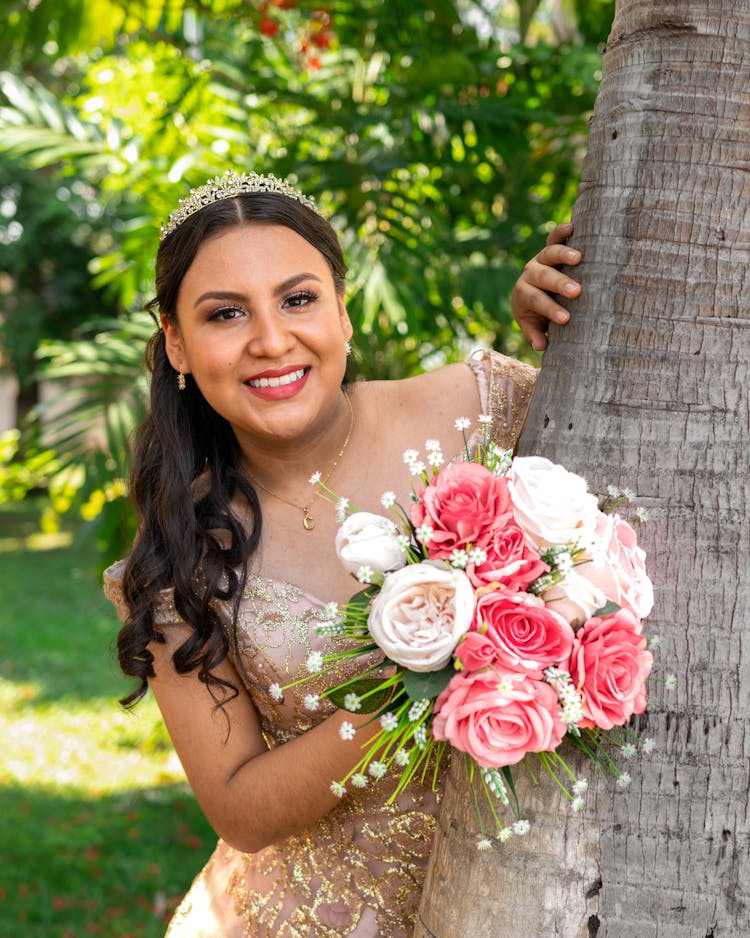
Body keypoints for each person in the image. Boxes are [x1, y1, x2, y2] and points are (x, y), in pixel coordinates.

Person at [104, 170, 580, 937]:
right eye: (226, 314)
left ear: (343, 313)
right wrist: (417, 682)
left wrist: (564, 335)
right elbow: (239, 809)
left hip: (532, 899)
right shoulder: (175, 558)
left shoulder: (482, 408)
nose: (271, 340)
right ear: (178, 344)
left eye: (298, 299)